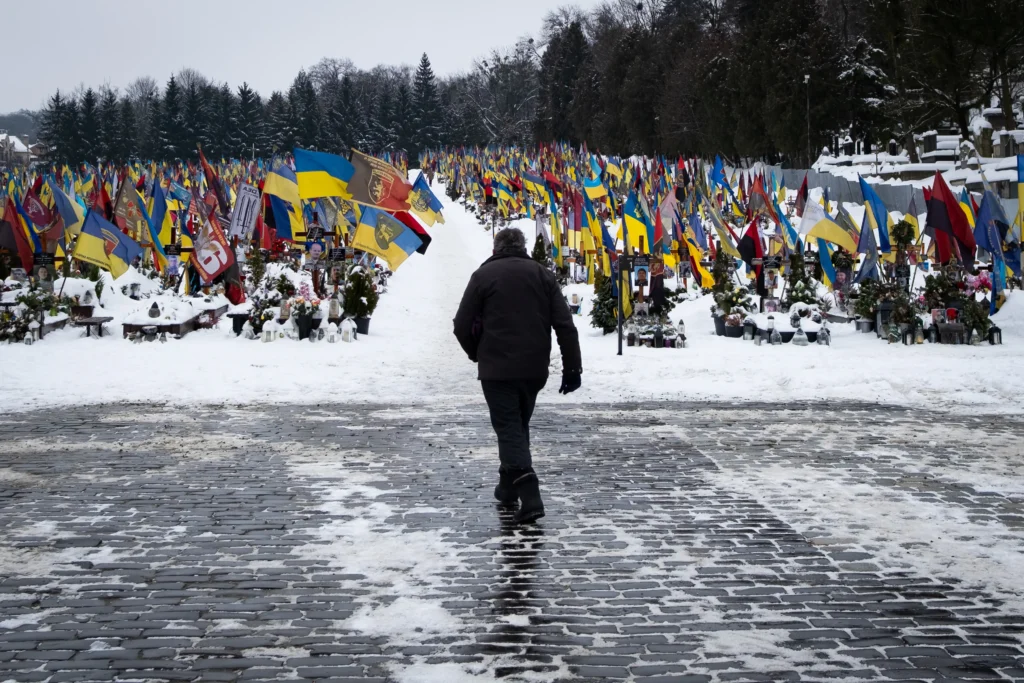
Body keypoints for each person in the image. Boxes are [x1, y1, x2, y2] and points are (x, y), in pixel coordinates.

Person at [454, 228, 582, 523]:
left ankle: (530, 491)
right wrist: (572, 367)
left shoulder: (483, 276)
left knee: (509, 426)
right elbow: (565, 324)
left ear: (496, 247)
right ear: (522, 247)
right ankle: (508, 486)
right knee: (516, 424)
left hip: (497, 369)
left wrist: (478, 353)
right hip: (534, 368)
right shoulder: (542, 275)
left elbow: (461, 324)